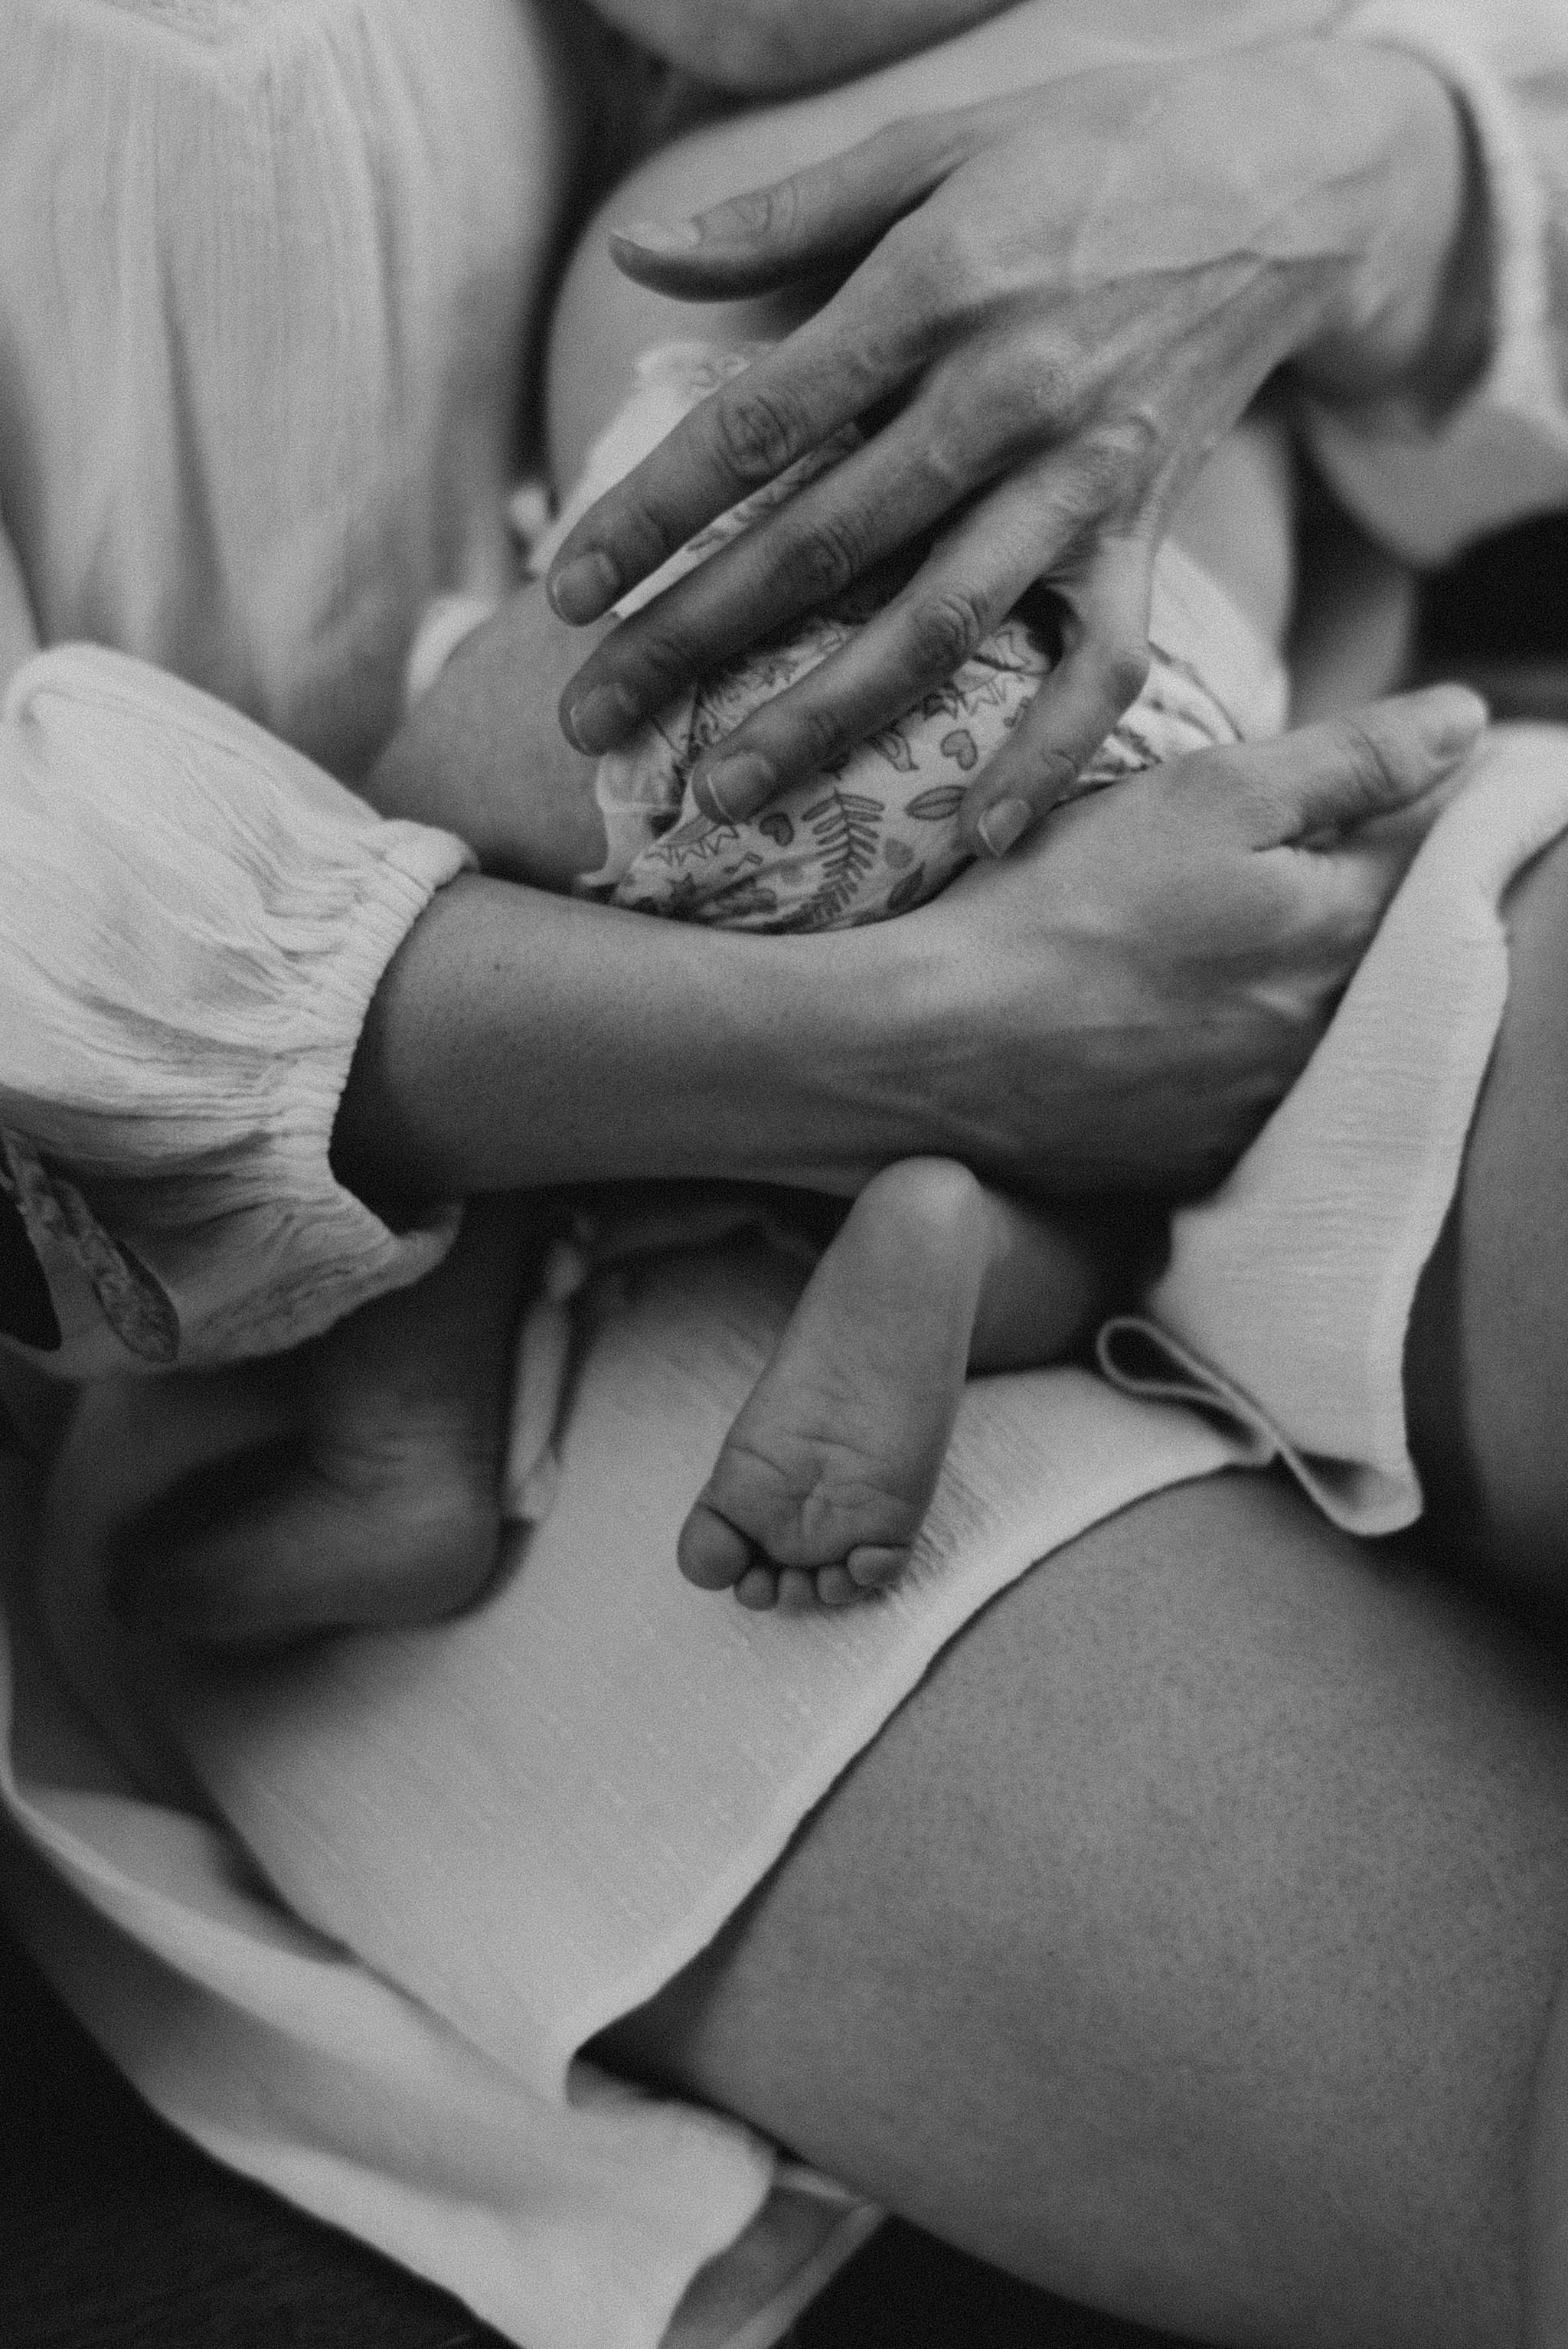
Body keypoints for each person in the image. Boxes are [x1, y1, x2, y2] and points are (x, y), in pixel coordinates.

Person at [3, 14, 1568, 2349]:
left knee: (455, 774)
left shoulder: (775, 171)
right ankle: (939, 1205)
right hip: (1105, 826)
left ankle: (454, 1410)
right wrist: (944, 1025)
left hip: (669, 767)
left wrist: (1358, 152)